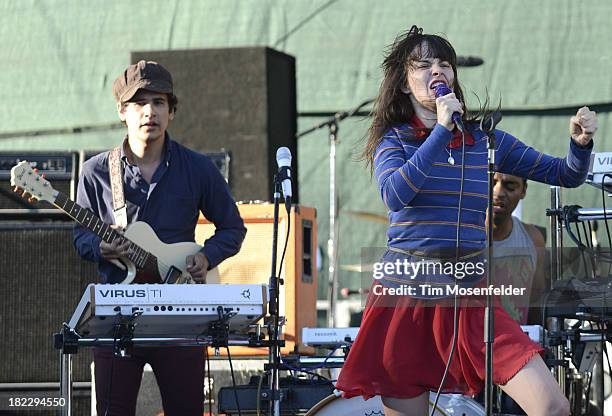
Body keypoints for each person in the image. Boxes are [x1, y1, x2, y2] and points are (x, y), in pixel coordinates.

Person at [335, 26, 597, 416]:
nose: (436, 70)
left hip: (469, 297)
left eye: (444, 63)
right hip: (404, 298)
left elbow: (566, 175)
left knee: (552, 406)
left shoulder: (485, 142)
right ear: (405, 85)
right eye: (423, 65)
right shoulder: (396, 140)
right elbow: (395, 194)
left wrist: (580, 146)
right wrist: (440, 131)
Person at [73, 60, 246, 416]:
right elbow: (80, 238)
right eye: (139, 103)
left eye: (158, 102)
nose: (149, 111)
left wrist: (207, 257)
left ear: (172, 111)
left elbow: (233, 228)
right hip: (118, 315)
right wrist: (99, 247)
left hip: (181, 312)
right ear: (122, 111)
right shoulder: (95, 173)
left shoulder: (198, 168)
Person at [491, 174, 547, 325]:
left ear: (523, 190)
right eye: (491, 182)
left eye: (510, 186)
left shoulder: (533, 239)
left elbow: (536, 308)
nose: (498, 192)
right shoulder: (460, 238)